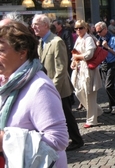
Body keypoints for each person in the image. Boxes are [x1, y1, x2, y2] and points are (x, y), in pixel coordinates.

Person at [0, 20, 68, 167]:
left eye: (1, 50)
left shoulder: (39, 88)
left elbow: (59, 139)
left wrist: (7, 140)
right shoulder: (5, 81)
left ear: (22, 52)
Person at [32, 14, 84, 151]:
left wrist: (52, 89)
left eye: (36, 24)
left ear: (45, 25)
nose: (33, 27)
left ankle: (77, 140)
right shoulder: (41, 42)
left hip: (59, 88)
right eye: (33, 24)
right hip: (48, 87)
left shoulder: (57, 41)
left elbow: (61, 68)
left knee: (67, 115)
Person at [70, 20, 103, 128]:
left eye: (80, 28)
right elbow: (75, 53)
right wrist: (73, 62)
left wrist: (77, 58)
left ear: (85, 28)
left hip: (88, 70)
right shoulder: (78, 39)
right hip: (79, 70)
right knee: (78, 92)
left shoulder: (88, 39)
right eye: (76, 28)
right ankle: (96, 110)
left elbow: (89, 54)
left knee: (90, 95)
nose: (78, 30)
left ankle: (92, 120)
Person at [95, 21, 115, 115]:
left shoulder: (113, 38)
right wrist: (98, 46)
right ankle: (111, 105)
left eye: (99, 31)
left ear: (105, 29)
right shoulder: (100, 37)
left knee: (108, 86)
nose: (98, 33)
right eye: (97, 31)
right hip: (103, 64)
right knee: (107, 87)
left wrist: (107, 47)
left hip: (112, 63)